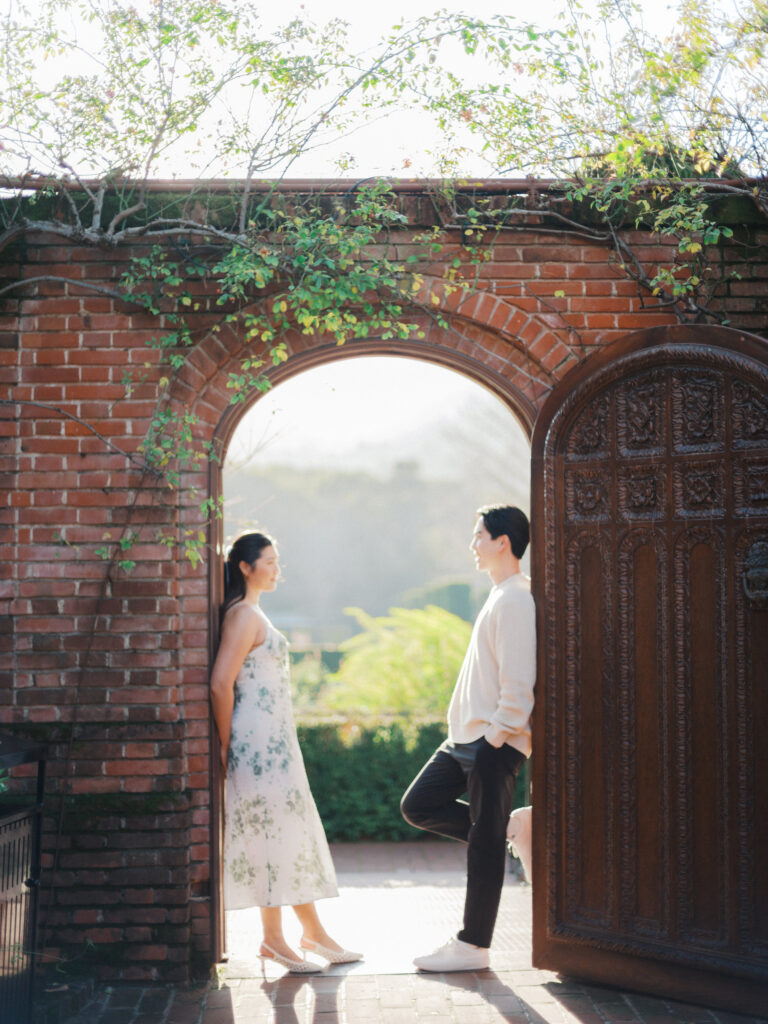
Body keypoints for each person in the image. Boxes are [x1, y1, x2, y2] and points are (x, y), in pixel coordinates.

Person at [210, 531, 362, 974]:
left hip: (273, 744)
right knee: (272, 834)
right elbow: (221, 682)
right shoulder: (242, 615)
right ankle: (276, 938)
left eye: (278, 561)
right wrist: (225, 745)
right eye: (270, 561)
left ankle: (308, 933)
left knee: (284, 833)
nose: (278, 569)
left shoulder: (254, 613)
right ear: (245, 566)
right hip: (254, 746)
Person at [401, 505, 536, 972]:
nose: (472, 543)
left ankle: (473, 946)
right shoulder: (501, 595)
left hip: (491, 744)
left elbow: (520, 683)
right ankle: (504, 833)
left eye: (479, 534)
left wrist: (497, 737)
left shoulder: (518, 597)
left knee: (482, 845)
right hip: (466, 740)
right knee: (417, 805)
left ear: (503, 541)